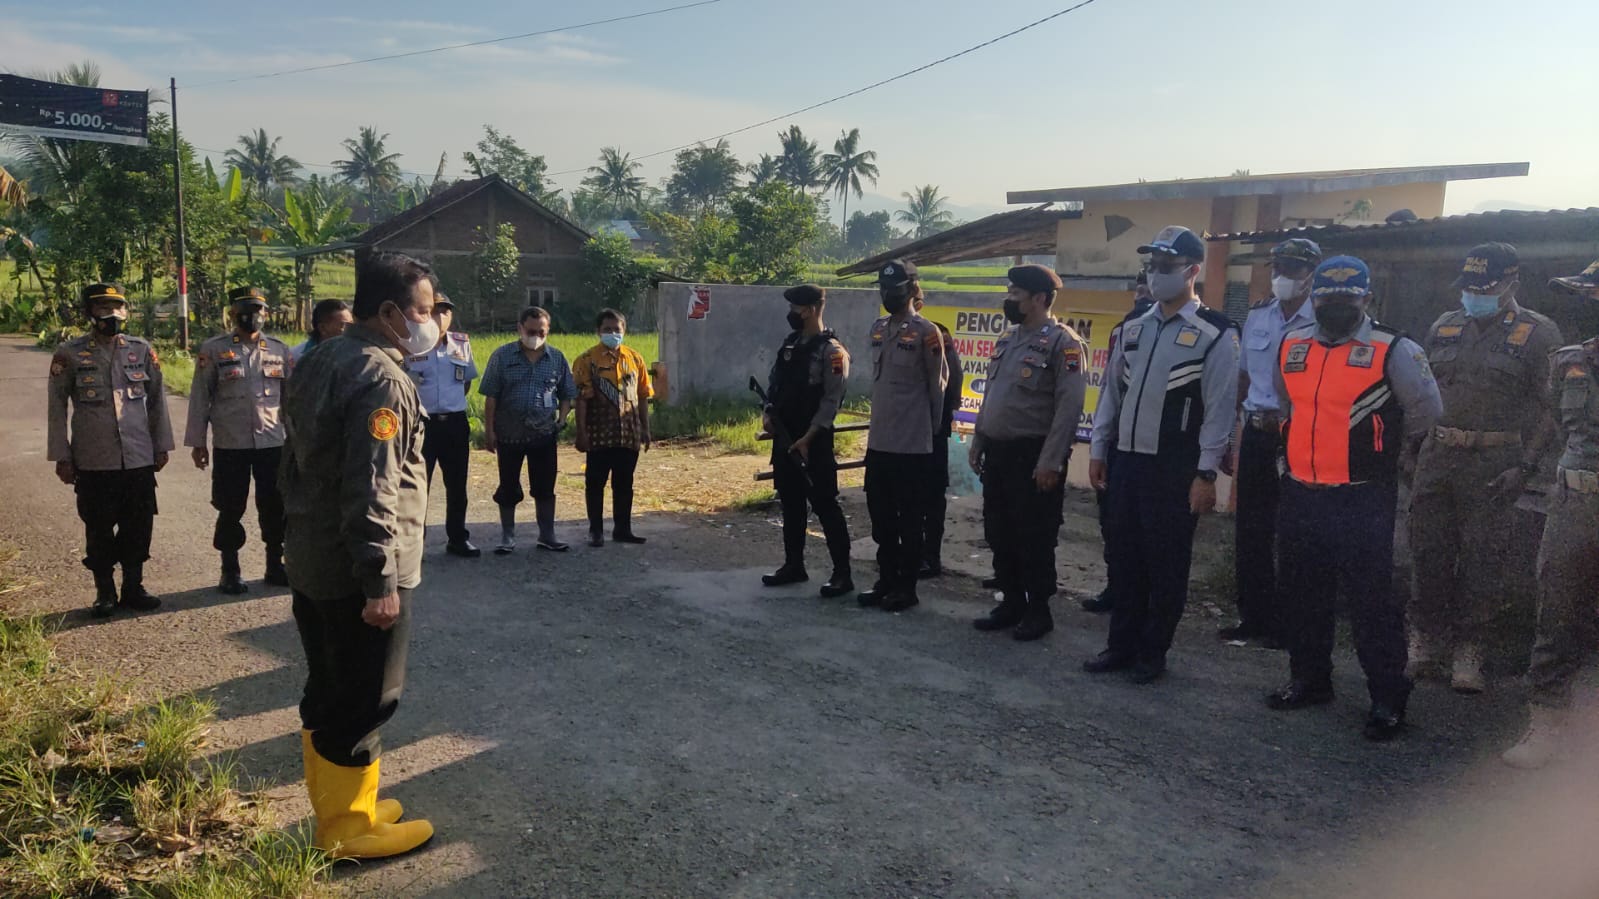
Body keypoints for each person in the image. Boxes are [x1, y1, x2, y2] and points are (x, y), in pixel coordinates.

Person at [279, 252, 436, 858]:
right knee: (366, 696)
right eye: (423, 310)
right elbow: (372, 488)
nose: (430, 321)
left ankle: (347, 809)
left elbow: (294, 462)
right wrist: (379, 580)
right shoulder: (382, 378)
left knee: (328, 686)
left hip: (314, 555)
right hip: (358, 570)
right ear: (390, 311)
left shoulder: (321, 357)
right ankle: (347, 830)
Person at [1264, 255, 1442, 742]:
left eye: (1347, 298)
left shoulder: (1394, 349)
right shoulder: (1292, 345)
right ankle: (1309, 680)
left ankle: (1387, 698)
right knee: (1303, 594)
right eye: (1327, 298)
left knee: (1372, 604)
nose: (1336, 306)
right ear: (1314, 298)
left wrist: (1382, 452)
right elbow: (1287, 403)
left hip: (1363, 498)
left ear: (1366, 298)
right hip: (1301, 493)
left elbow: (1427, 412)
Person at [1084, 227, 1238, 683]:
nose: (1156, 274)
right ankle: (1120, 646)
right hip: (1127, 460)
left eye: (1167, 266)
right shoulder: (1133, 327)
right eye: (1152, 265)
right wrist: (1099, 448)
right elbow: (1111, 394)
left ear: (1192, 271)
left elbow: (1220, 408)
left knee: (1166, 565)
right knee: (1125, 559)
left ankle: (1152, 654)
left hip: (1175, 468)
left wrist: (1206, 473)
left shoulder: (1215, 332)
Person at [1409, 243, 1563, 694]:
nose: (1474, 296)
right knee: (1428, 553)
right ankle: (1424, 641)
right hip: (1437, 456)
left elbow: (1551, 409)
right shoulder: (1444, 325)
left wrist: (1527, 466)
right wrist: (1411, 450)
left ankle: (1470, 649)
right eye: (1470, 288)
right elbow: (1421, 392)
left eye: (1485, 288)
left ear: (1512, 283)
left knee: (1483, 560)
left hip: (1495, 462)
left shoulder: (1539, 334)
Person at [1501, 257, 1599, 768]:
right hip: (1576, 502)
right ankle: (1547, 722)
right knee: (1558, 612)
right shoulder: (1567, 363)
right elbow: (1561, 426)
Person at [969, 265, 1086, 640]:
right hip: (999, 452)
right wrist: (979, 440)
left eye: (1015, 294)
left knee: (1033, 535)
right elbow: (992, 395)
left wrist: (1051, 460)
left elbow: (1069, 408)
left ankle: (1038, 611)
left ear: (1039, 299)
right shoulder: (1007, 339)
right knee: (999, 530)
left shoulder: (1064, 344)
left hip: (1033, 455)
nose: (1009, 300)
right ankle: (1011, 602)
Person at [1219, 239, 1322, 646]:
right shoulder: (1258, 315)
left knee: (1295, 532)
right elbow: (1243, 379)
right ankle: (1254, 617)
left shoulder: (1323, 320)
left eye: (1292, 268)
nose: (1282, 276)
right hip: (1258, 433)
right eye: (1278, 267)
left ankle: (1290, 624)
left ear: (1311, 274)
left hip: (1301, 437)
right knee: (1251, 529)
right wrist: (1231, 437)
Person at [47, 283, 172, 617]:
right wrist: (62, 455)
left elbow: (157, 401)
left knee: (138, 525)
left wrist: (161, 445)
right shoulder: (70, 353)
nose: (112, 314)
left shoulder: (141, 350)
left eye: (117, 307)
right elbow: (56, 407)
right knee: (99, 528)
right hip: (94, 459)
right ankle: (105, 591)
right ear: (89, 312)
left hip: (137, 457)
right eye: (103, 308)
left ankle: (134, 586)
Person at [185, 286, 294, 594]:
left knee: (275, 506)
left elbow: (290, 400)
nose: (251, 316)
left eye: (257, 310)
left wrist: (296, 441)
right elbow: (200, 397)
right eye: (244, 310)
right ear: (232, 314)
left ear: (266, 313)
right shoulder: (214, 349)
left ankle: (275, 564)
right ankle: (230, 569)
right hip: (231, 443)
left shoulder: (279, 350)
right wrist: (198, 442)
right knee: (230, 507)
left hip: (272, 442)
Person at [856, 260, 949, 613]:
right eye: (882, 289)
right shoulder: (878, 328)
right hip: (880, 441)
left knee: (909, 521)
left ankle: (905, 587)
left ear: (911, 290)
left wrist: (931, 434)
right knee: (881, 518)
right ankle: (886, 579)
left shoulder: (927, 332)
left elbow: (937, 388)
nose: (886, 295)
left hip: (912, 444)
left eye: (893, 290)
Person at [760, 284, 854, 596]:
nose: (791, 314)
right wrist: (767, 414)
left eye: (795, 309)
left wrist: (808, 438)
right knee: (791, 504)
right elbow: (775, 384)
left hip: (814, 442)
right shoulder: (790, 343)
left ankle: (842, 574)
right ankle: (794, 565)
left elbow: (831, 402)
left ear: (811, 309)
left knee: (825, 505)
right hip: (785, 438)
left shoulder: (833, 352)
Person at [1081, 271, 1156, 614]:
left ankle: (1145, 598)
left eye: (1147, 290)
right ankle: (1117, 588)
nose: (1142, 296)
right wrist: (1099, 445)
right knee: (1113, 523)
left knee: (1149, 530)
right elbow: (1110, 391)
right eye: (1138, 290)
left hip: (1155, 447)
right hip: (1118, 441)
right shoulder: (1125, 330)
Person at [480, 306, 576, 554]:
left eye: (541, 332)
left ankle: (547, 535)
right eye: (531, 331)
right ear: (520, 329)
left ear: (548, 330)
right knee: (508, 486)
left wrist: (561, 419)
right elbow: (490, 396)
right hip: (509, 433)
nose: (536, 337)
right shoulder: (502, 356)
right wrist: (489, 431)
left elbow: (567, 393)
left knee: (545, 487)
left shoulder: (556, 358)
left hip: (543, 434)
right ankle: (507, 536)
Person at [403, 292, 482, 558]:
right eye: (435, 310)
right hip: (422, 424)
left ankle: (458, 538)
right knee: (417, 486)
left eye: (446, 311)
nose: (441, 316)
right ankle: (416, 543)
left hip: (454, 423)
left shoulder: (460, 344)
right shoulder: (410, 345)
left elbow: (466, 382)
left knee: (457, 485)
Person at [573, 308, 652, 547]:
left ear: (624, 330)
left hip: (628, 434)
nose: (612, 333)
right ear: (598, 331)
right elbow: (581, 400)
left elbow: (642, 396)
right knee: (595, 484)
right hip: (598, 434)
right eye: (607, 329)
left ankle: (623, 529)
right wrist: (581, 432)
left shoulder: (635, 359)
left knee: (624, 484)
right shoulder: (587, 360)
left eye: (616, 329)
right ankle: (595, 531)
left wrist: (645, 429)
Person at [916, 293, 963, 579]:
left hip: (933, 430)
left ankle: (930, 557)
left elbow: (952, 381)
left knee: (932, 499)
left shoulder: (937, 334)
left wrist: (940, 420)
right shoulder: (894, 333)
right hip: (906, 432)